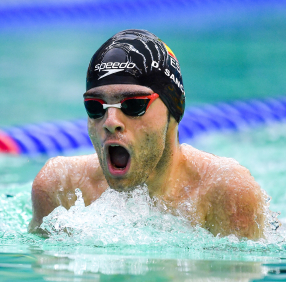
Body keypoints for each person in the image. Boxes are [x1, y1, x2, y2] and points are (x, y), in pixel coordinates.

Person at [28, 29, 270, 239]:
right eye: (95, 106)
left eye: (133, 105)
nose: (111, 122)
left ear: (173, 110)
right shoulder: (60, 190)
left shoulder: (225, 192)